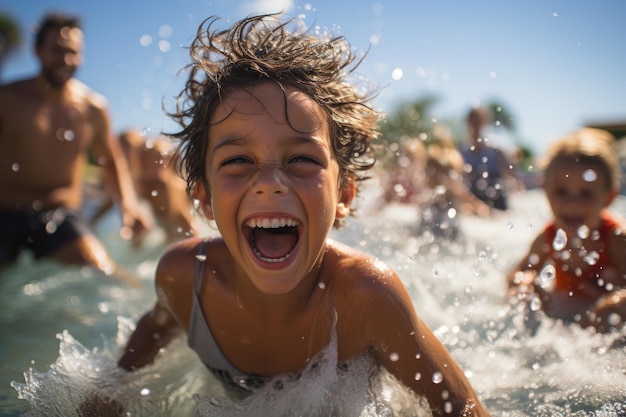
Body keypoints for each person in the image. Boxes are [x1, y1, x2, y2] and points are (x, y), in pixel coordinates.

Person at [83, 14, 490, 416]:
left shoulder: (365, 297)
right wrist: (112, 394)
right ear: (204, 198)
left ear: (344, 194)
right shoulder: (185, 279)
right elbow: (155, 325)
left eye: (301, 158)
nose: (270, 183)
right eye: (238, 160)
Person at [0, 13, 150, 284]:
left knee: (114, 279)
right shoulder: (7, 99)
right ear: (38, 51)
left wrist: (129, 206)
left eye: (73, 52)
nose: (66, 61)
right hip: (5, 214)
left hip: (61, 216)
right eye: (58, 51)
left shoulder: (93, 108)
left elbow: (112, 161)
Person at [506, 127, 626, 333]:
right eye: (561, 191)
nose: (572, 203)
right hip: (568, 324)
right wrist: (523, 283)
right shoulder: (548, 237)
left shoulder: (615, 239)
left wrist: (617, 301)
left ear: (609, 198)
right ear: (545, 190)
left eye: (586, 193)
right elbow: (518, 272)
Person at [89, 129, 200, 243]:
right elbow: (114, 200)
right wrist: (90, 224)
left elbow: (189, 230)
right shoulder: (129, 186)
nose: (118, 163)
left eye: (122, 156)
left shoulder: (158, 186)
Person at [460, 106, 517, 211]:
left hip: (496, 200)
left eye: (479, 121)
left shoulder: (496, 149)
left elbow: (512, 175)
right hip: (471, 200)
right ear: (467, 124)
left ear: (487, 123)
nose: (476, 125)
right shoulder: (462, 152)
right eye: (473, 121)